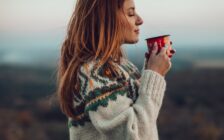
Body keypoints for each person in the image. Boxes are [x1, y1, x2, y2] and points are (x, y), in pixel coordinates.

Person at [57, 0, 172, 139]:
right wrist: (155, 75)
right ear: (107, 19)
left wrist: (150, 71)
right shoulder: (94, 72)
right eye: (130, 13)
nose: (140, 20)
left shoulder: (119, 66)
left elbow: (137, 113)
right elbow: (134, 134)